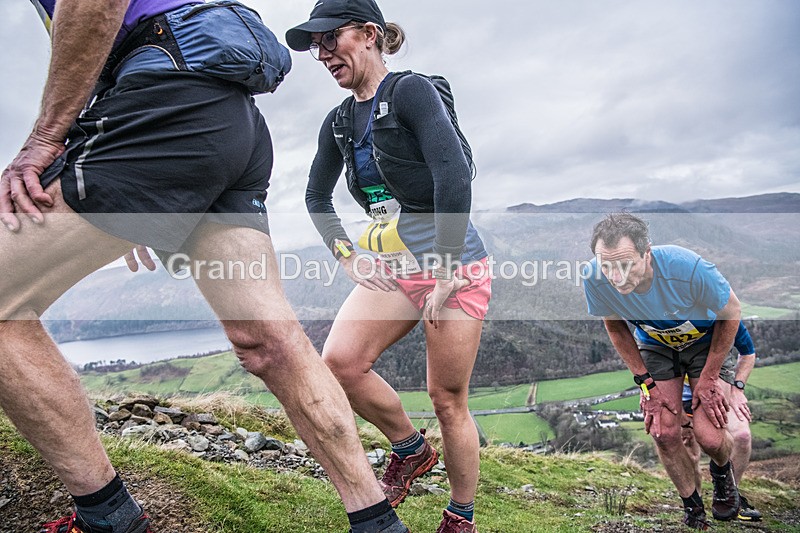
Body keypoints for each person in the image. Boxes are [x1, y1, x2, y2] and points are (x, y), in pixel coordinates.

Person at [0, 1, 408, 532]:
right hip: (228, 121)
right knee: (270, 340)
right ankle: (377, 521)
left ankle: (109, 520)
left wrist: (47, 138)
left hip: (161, 104)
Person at [286, 1, 492, 531]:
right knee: (340, 363)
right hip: (395, 263)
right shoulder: (338, 122)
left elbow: (454, 177)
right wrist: (348, 257)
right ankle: (409, 448)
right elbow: (315, 197)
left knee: (447, 399)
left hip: (454, 264)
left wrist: (446, 266)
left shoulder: (411, 91)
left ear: (370, 34)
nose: (321, 53)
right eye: (315, 45)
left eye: (330, 39)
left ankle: (461, 514)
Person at [582, 213, 742, 530]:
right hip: (656, 345)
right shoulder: (594, 278)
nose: (616, 276)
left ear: (647, 253)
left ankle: (722, 473)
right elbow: (615, 327)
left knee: (709, 436)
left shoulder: (688, 268)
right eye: (607, 266)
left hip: (704, 342)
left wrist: (709, 378)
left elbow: (732, 311)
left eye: (626, 264)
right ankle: (693, 508)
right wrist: (645, 385)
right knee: (663, 431)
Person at [680, 326, 762, 522]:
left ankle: (730, 497)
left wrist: (738, 388)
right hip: (680, 398)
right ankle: (695, 506)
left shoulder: (722, 316)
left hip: (719, 393)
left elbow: (748, 353)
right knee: (689, 451)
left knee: (742, 436)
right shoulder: (662, 324)